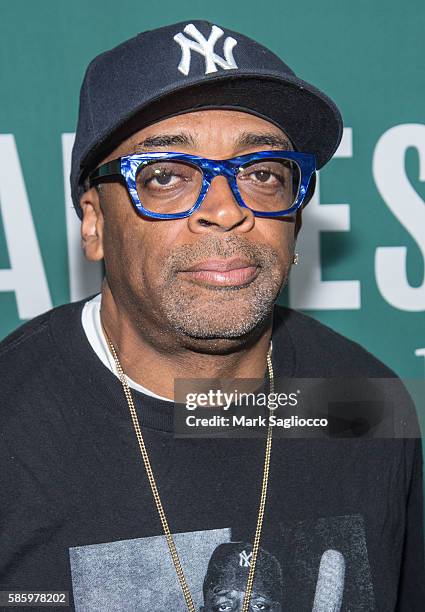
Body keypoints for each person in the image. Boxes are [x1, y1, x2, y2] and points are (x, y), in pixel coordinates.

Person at [0, 20, 423, 611]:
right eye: (167, 177)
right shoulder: (12, 427)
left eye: (262, 173)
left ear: (296, 216)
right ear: (93, 222)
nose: (225, 210)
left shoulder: (362, 403)